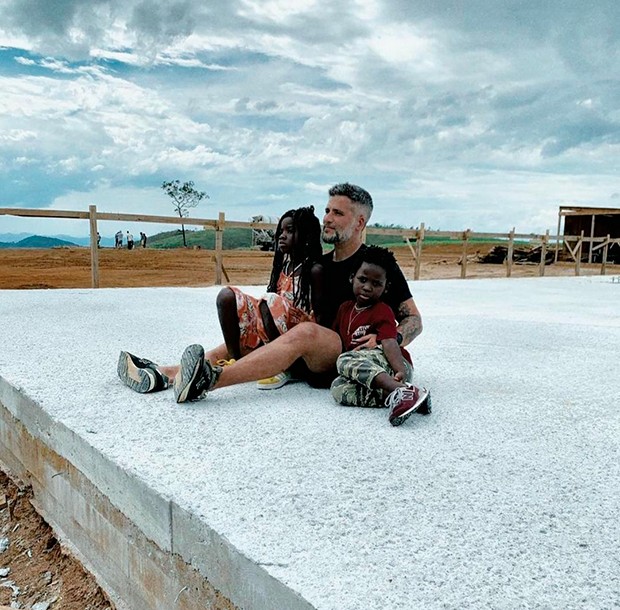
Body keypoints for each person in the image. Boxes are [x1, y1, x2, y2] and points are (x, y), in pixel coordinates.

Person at [118, 183, 424, 412]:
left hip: (345, 353)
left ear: (359, 222)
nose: (327, 218)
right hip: (311, 352)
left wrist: (392, 339)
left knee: (304, 332)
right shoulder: (320, 264)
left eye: (338, 213)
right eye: (327, 210)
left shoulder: (376, 266)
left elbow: (413, 318)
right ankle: (166, 374)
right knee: (261, 329)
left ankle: (210, 379)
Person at [118, 206, 323, 393]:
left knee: (270, 301)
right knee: (227, 297)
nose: (282, 236)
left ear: (306, 236)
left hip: (294, 346)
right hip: (271, 336)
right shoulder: (283, 268)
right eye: (281, 231)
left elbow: (319, 322)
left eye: (290, 231)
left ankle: (278, 368)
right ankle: (162, 375)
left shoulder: (314, 269)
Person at [330, 245, 430, 426]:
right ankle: (409, 398)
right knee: (338, 388)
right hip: (372, 371)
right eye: (362, 279)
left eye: (376, 284)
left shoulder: (382, 311)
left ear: (385, 287)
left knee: (344, 359)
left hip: (394, 363)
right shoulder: (344, 309)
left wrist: (399, 370)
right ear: (352, 278)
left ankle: (399, 388)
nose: (367, 287)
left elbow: (390, 342)